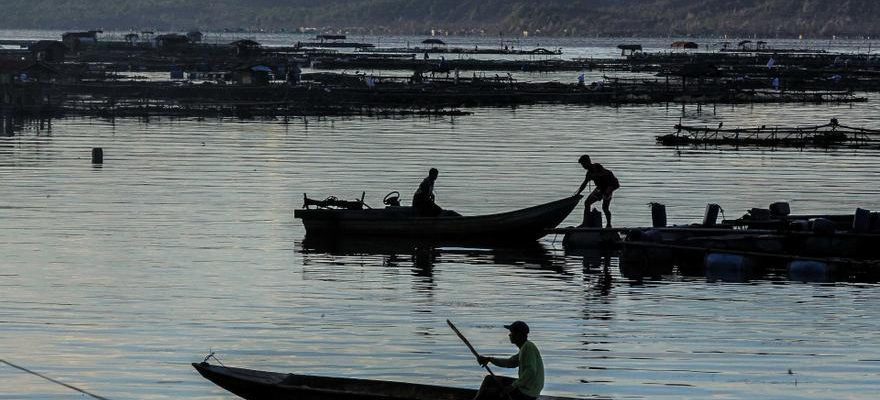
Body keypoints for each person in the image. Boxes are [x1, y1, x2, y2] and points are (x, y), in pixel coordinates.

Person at [474, 321, 544, 400]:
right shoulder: (525, 347)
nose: (509, 335)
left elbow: (530, 371)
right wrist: (490, 359)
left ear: (519, 335)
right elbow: (510, 362)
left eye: (512, 332)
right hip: (527, 388)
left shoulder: (528, 347)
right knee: (491, 381)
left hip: (527, 392)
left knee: (490, 382)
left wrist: (513, 386)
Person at [575, 154, 620, 228]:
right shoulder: (588, 173)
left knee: (605, 208)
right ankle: (585, 222)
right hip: (600, 189)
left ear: (588, 161)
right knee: (587, 203)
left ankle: (608, 224)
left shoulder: (597, 166)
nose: (583, 166)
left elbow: (603, 173)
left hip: (608, 187)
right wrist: (578, 193)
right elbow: (584, 184)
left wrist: (595, 175)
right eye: (582, 165)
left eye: (583, 164)